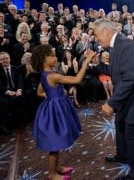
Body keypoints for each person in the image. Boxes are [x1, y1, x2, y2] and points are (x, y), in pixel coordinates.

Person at [93, 18, 134, 180]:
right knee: (120, 126)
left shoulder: (126, 46)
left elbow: (129, 78)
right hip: (127, 99)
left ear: (106, 31)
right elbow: (116, 72)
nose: (96, 39)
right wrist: (98, 64)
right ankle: (123, 155)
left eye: (96, 35)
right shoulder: (115, 46)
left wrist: (111, 103)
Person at [31, 44, 96, 180]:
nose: (56, 58)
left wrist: (53, 95)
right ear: (44, 58)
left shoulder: (44, 75)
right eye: (52, 55)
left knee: (57, 141)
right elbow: (77, 79)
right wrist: (86, 62)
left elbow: (39, 92)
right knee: (55, 143)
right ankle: (51, 174)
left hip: (54, 107)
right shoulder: (53, 76)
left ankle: (57, 168)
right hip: (55, 112)